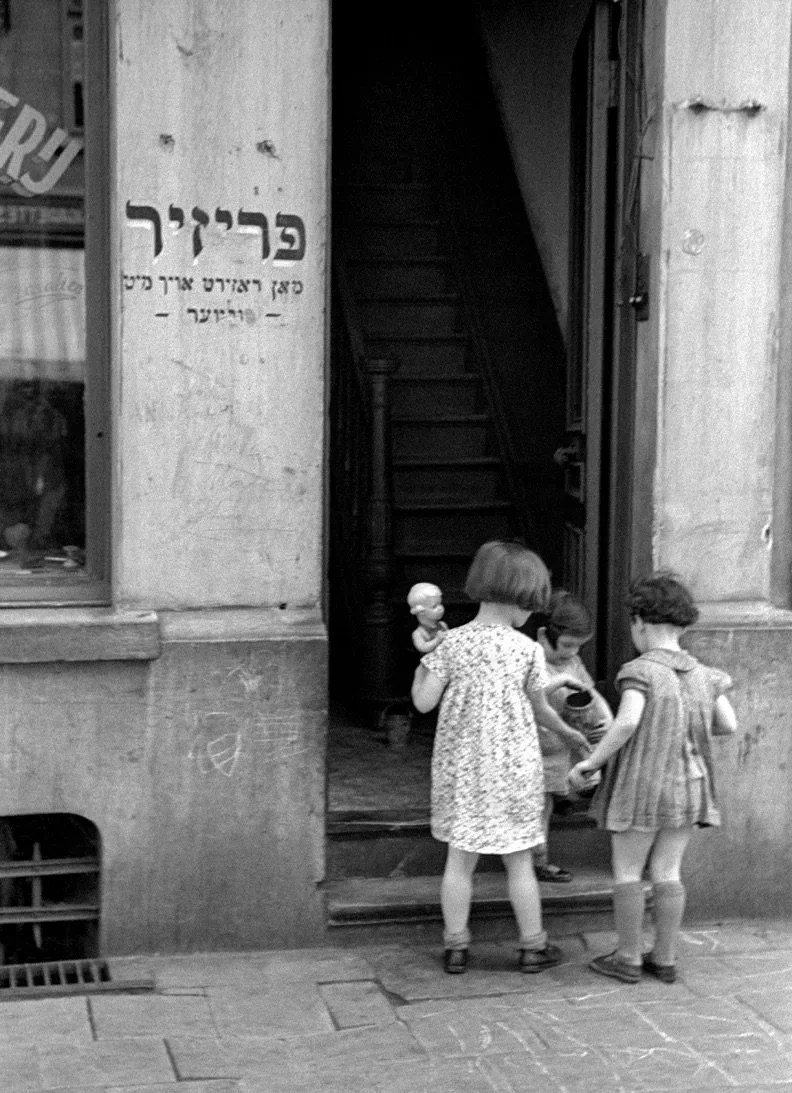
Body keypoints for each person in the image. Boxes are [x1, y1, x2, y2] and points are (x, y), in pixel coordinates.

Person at [411, 540, 591, 975]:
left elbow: (422, 703)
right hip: (514, 771)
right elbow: (539, 708)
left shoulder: (451, 645)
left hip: (464, 772)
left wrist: (422, 663)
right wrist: (568, 733)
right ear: (520, 602)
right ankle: (533, 946)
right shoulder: (527, 650)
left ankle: (456, 947)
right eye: (531, 605)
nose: (531, 614)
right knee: (520, 861)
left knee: (460, 859)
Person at [568, 571, 737, 985]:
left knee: (627, 870)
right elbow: (728, 725)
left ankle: (627, 957)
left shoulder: (640, 671)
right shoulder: (704, 675)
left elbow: (626, 724)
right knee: (668, 870)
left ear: (639, 622)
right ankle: (664, 958)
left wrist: (590, 764)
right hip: (690, 785)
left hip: (643, 786)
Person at [529, 590, 614, 882]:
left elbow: (590, 693)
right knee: (540, 807)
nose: (572, 652)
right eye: (567, 645)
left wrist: (607, 720)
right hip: (539, 748)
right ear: (543, 634)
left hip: (565, 746)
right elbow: (528, 699)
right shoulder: (531, 658)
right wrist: (560, 682)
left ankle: (570, 793)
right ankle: (539, 860)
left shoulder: (573, 663)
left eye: (578, 646)